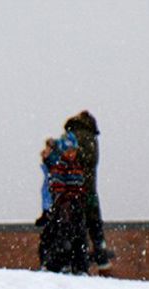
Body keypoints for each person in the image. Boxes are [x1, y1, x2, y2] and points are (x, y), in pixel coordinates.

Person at [63, 110, 112, 271]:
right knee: (94, 225)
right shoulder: (89, 137)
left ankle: (76, 261)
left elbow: (67, 159)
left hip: (72, 189)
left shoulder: (71, 137)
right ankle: (101, 259)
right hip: (88, 188)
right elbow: (90, 160)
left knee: (76, 226)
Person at [38, 132, 90, 274]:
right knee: (63, 234)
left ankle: (80, 266)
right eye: (68, 151)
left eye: (73, 151)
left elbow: (80, 184)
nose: (71, 154)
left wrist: (81, 196)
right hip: (64, 206)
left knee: (79, 236)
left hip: (76, 205)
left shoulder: (77, 166)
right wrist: (62, 199)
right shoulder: (60, 166)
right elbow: (56, 184)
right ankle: (60, 263)